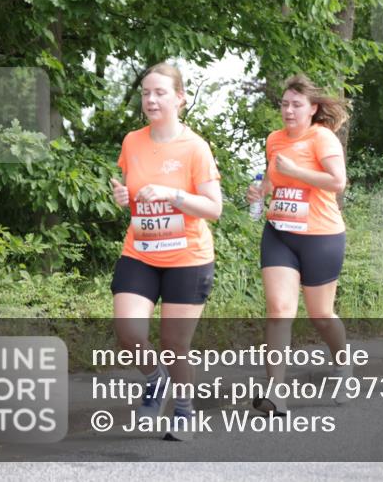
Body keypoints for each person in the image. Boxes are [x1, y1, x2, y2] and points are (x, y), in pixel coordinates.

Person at [109, 62, 223, 442]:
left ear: (180, 98)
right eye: (146, 93)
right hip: (140, 250)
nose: (151, 100)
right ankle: (155, 380)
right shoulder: (132, 141)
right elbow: (134, 196)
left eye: (160, 93)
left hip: (187, 258)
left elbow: (213, 208)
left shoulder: (195, 148)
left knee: (174, 344)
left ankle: (185, 411)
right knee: (129, 331)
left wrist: (172, 194)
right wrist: (123, 197)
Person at [246, 74, 350, 415]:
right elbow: (274, 177)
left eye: (296, 105)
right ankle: (276, 392)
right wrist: (259, 191)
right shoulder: (274, 139)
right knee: (279, 310)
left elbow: (337, 182)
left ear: (313, 108)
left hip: (321, 236)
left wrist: (298, 171)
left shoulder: (322, 138)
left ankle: (343, 364)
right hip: (280, 233)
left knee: (320, 314)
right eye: (284, 104)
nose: (288, 111)